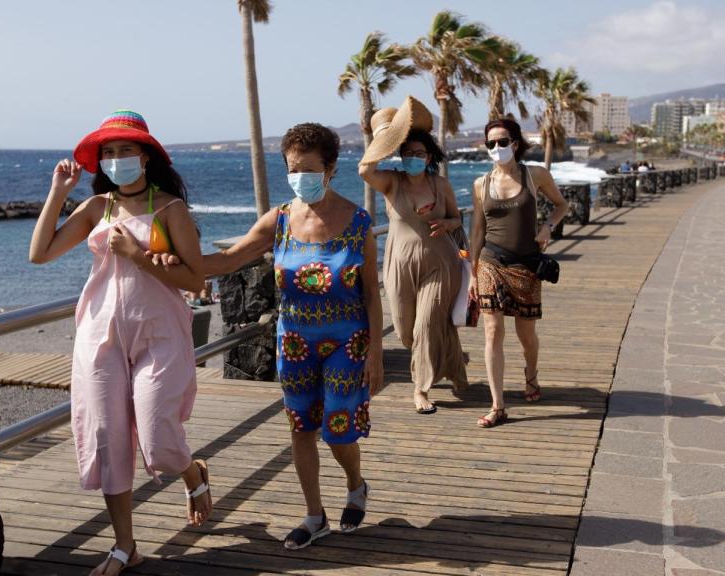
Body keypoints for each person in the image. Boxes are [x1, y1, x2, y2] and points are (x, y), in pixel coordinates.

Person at [151, 123, 384, 550]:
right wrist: (168, 259)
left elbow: (371, 291)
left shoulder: (358, 221)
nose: (300, 178)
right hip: (295, 341)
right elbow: (224, 261)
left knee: (339, 431)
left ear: (331, 168)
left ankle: (355, 483)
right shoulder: (278, 220)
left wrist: (376, 355)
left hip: (347, 342)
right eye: (293, 169)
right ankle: (315, 516)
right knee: (301, 428)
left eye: (309, 170)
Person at [28, 110, 210, 575]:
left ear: (145, 156)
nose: (115, 159)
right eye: (107, 153)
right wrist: (57, 194)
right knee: (108, 436)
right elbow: (40, 254)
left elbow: (197, 281)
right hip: (99, 333)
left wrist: (140, 255)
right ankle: (125, 546)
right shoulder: (97, 208)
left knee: (159, 437)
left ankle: (192, 471)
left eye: (125, 150)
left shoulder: (171, 209)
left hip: (160, 331)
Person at [357, 96, 468, 414]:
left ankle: (420, 389)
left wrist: (447, 223)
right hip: (399, 264)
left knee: (427, 325)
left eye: (419, 154)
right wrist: (385, 137)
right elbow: (365, 169)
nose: (413, 158)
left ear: (430, 156)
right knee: (407, 331)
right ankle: (455, 366)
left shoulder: (440, 185)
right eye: (407, 153)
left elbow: (458, 219)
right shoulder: (391, 181)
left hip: (440, 262)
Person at [469, 117, 569, 428]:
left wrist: (547, 226)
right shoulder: (480, 185)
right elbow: (476, 232)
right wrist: (472, 273)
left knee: (526, 335)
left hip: (526, 263)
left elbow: (561, 205)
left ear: (515, 143)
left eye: (502, 142)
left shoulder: (535, 174)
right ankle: (498, 405)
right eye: (491, 144)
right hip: (491, 262)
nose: (496, 148)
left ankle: (531, 374)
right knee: (492, 331)